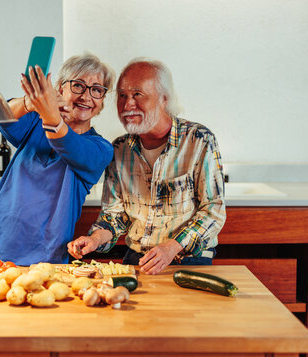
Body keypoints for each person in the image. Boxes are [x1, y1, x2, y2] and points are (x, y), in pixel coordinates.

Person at [67, 58, 226, 275]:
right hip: (136, 259)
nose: (127, 104)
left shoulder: (198, 140)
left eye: (137, 94)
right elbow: (115, 215)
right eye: (122, 96)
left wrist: (172, 247)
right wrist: (94, 240)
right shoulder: (120, 149)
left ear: (164, 99)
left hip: (188, 260)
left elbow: (213, 211)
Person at [0, 53, 115, 266]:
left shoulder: (101, 148)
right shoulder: (34, 123)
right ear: (60, 88)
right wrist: (29, 102)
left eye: (96, 90)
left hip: (47, 256)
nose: (87, 97)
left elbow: (68, 144)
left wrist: (50, 114)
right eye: (78, 85)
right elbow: (0, 113)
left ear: (102, 100)